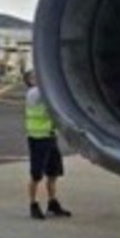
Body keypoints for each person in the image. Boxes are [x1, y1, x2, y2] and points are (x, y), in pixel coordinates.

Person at [24, 69, 72, 219]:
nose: (39, 77)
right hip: (38, 138)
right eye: (34, 76)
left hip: (50, 137)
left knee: (54, 172)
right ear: (30, 81)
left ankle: (52, 202)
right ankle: (33, 204)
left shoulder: (45, 91)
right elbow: (51, 92)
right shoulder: (33, 94)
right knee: (36, 175)